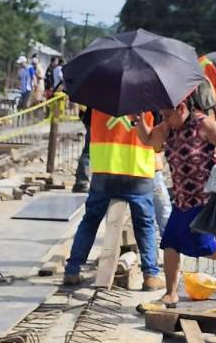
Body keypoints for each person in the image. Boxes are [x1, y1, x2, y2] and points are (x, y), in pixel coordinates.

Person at [133, 96, 216, 306]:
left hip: (204, 198)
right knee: (170, 243)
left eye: (168, 115)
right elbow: (149, 140)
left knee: (203, 246)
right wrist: (138, 122)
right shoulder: (168, 129)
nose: (165, 119)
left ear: (182, 108)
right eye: (163, 116)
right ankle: (171, 293)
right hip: (182, 198)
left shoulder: (203, 124)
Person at [62, 110, 164, 291]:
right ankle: (150, 275)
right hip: (137, 171)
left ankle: (72, 270)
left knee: (90, 221)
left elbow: (90, 127)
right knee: (145, 225)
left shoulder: (99, 101)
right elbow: (158, 140)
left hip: (105, 169)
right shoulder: (150, 102)